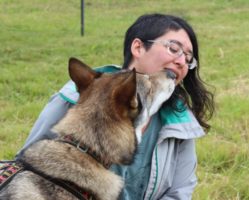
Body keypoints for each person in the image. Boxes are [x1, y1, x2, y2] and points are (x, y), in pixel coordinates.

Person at [17, 13, 214, 199]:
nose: (181, 62)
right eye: (173, 48)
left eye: (188, 58)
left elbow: (179, 192)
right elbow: (27, 168)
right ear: (138, 48)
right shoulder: (71, 98)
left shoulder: (181, 124)